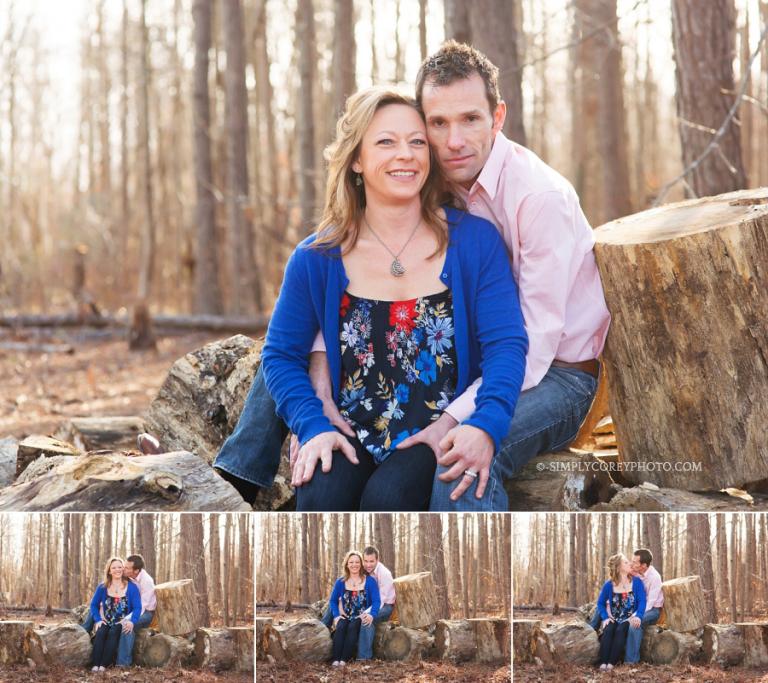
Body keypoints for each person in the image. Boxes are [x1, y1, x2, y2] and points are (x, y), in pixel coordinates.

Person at [213, 41, 608, 512]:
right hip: (453, 367)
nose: (453, 140)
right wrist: (312, 411)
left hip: (555, 372)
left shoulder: (534, 200)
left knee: (456, 462)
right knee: (318, 461)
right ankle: (231, 484)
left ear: (497, 118)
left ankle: (473, 573)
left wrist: (455, 422)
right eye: (436, 125)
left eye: (469, 120)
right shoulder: (429, 175)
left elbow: (527, 347)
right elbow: (297, 334)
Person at [252, 86, 527, 512]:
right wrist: (312, 425)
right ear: (357, 160)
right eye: (386, 142)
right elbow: (280, 356)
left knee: (390, 498)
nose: (406, 154)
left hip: (436, 431)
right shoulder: (317, 256)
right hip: (348, 428)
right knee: (321, 493)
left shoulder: (474, 242)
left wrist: (486, 424)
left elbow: (506, 346)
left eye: (417, 142)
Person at [320, 545, 396, 660]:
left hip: (385, 606)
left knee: (366, 620)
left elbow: (379, 601)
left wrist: (364, 613)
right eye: (366, 561)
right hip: (369, 603)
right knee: (334, 604)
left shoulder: (384, 574)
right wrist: (341, 605)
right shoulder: (362, 568)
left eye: (372, 561)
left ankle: (363, 657)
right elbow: (348, 588)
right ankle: (321, 628)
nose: (368, 564)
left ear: (377, 560)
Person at [88, 557, 142, 672]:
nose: (117, 569)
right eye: (114, 567)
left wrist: (132, 621)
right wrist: (97, 620)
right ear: (109, 571)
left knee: (113, 632)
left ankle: (103, 665)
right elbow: (93, 605)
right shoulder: (103, 587)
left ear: (123, 569)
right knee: (101, 631)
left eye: (119, 567)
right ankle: (95, 664)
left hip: (121, 622)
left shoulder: (132, 587)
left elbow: (138, 607)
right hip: (105, 620)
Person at [329, 550, 381, 666]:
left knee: (352, 627)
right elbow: (332, 601)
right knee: (341, 626)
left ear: (361, 564)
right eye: (351, 562)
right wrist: (336, 616)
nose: (354, 565)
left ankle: (343, 660)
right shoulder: (340, 582)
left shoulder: (370, 581)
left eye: (357, 562)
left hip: (360, 616)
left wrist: (372, 614)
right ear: (347, 564)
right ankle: (335, 659)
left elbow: (377, 601)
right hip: (345, 614)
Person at [595, 553, 646, 670]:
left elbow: (642, 601)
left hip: (629, 618)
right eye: (626, 562)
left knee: (620, 630)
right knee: (608, 629)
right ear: (619, 568)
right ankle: (603, 662)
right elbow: (600, 603)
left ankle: (611, 663)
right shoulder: (609, 585)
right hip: (613, 617)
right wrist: (605, 618)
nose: (630, 564)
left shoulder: (637, 582)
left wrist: (639, 616)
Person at [115, 554, 157, 667]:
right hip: (131, 610)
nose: (124, 569)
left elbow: (142, 607)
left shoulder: (146, 581)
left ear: (136, 570)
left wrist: (128, 619)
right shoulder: (129, 576)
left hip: (146, 613)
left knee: (127, 625)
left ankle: (123, 664)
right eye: (125, 566)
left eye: (127, 568)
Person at [624, 548, 664, 663]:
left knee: (634, 624)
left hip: (652, 611)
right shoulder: (638, 573)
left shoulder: (655, 577)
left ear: (644, 565)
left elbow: (650, 603)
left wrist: (636, 615)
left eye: (635, 562)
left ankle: (631, 661)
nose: (632, 564)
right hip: (638, 607)